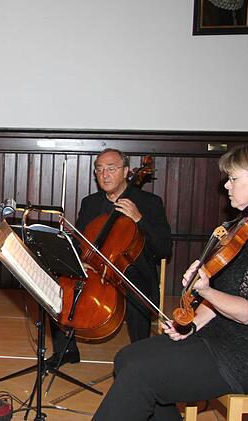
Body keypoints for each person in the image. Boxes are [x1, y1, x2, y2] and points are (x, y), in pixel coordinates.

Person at [92, 141, 248, 421]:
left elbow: (246, 311)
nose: (226, 186)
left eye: (233, 178)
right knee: (127, 358)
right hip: (221, 335)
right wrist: (192, 325)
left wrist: (204, 289)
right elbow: (223, 292)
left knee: (140, 374)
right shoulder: (246, 225)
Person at [47, 148, 172, 368]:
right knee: (57, 286)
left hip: (134, 272)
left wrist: (139, 219)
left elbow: (163, 248)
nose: (104, 175)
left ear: (125, 172)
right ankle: (66, 350)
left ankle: (140, 359)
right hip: (96, 270)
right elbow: (80, 241)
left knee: (134, 288)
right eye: (100, 170)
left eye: (111, 169)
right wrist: (80, 259)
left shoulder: (149, 202)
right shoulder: (90, 203)